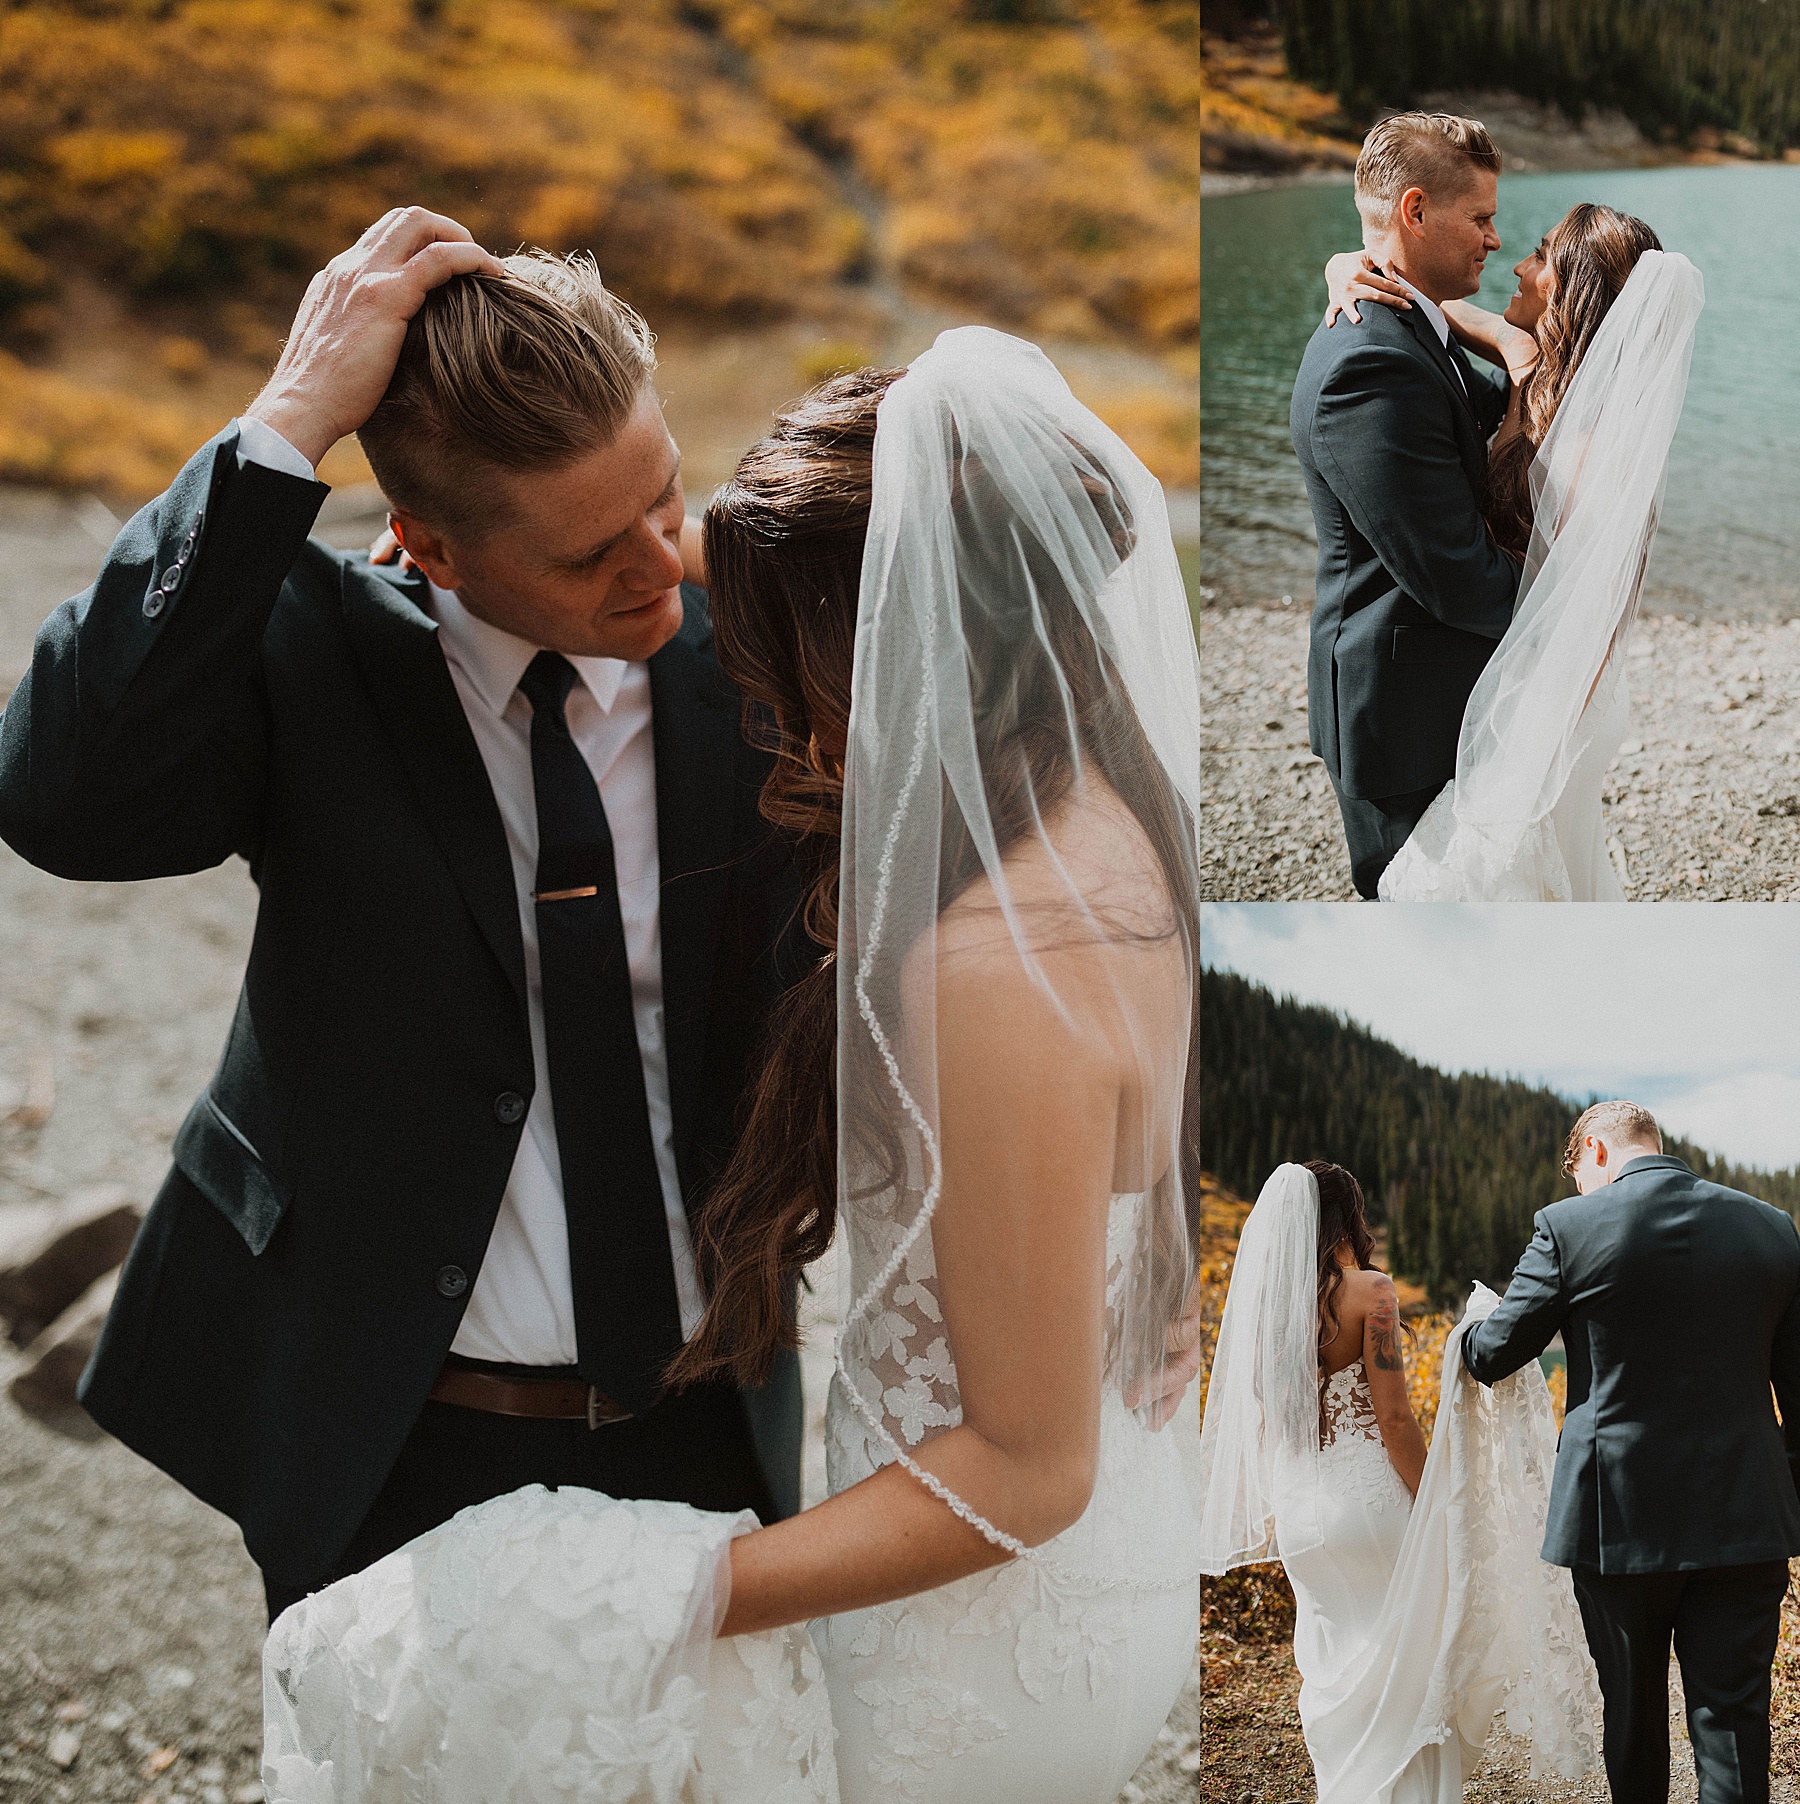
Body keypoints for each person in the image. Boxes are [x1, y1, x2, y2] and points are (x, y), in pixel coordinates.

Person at [258, 320, 1206, 1802]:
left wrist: (677, 1598)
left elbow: (1030, 1467)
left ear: (877, 637)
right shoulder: (1104, 812)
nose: (769, 715)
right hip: (1076, 1577)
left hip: (974, 1626)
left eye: (781, 666)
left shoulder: (988, 960)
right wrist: (486, 564)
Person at [0, 210, 812, 1621]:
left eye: (661, 500)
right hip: (389, 1426)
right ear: (428, 547)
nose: (657, 567)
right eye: (589, 555)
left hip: (714, 1412)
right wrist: (284, 426)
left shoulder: (759, 653)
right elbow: (60, 798)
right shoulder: (304, 653)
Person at [1324, 206, 1703, 902]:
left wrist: (1528, 745)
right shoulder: (1529, 368)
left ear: (1573, 293)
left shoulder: (1591, 449)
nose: (1518, 266)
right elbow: (1461, 318)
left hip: (1538, 697)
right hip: (1487, 672)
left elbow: (1584, 614)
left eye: (1538, 255)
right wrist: (1351, 268)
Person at [1198, 1160, 1602, 1801]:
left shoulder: (1268, 1315)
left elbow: (1269, 1426)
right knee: (1412, 1680)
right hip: (1370, 1507)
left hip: (1301, 1512)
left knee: (1336, 1676)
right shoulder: (1370, 1291)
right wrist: (1434, 1505)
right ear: (1346, 1218)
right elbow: (1392, 1417)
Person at [1464, 1101, 1800, 1802]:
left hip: (1616, 1522)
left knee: (1633, 1710)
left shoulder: (1568, 1226)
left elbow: (1495, 1354)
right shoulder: (1773, 1229)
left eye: (1583, 1177)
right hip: (1746, 1518)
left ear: (1594, 1151)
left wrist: (1468, 1330)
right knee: (1735, 1726)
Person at [1289, 112, 1523, 898]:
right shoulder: (1370, 366)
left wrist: (1511, 342)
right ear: (1415, 211)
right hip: (1401, 714)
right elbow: (1456, 575)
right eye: (1482, 218)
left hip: (1429, 691)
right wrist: (1573, 602)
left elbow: (1482, 419)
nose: (1495, 240)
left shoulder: (1409, 324)